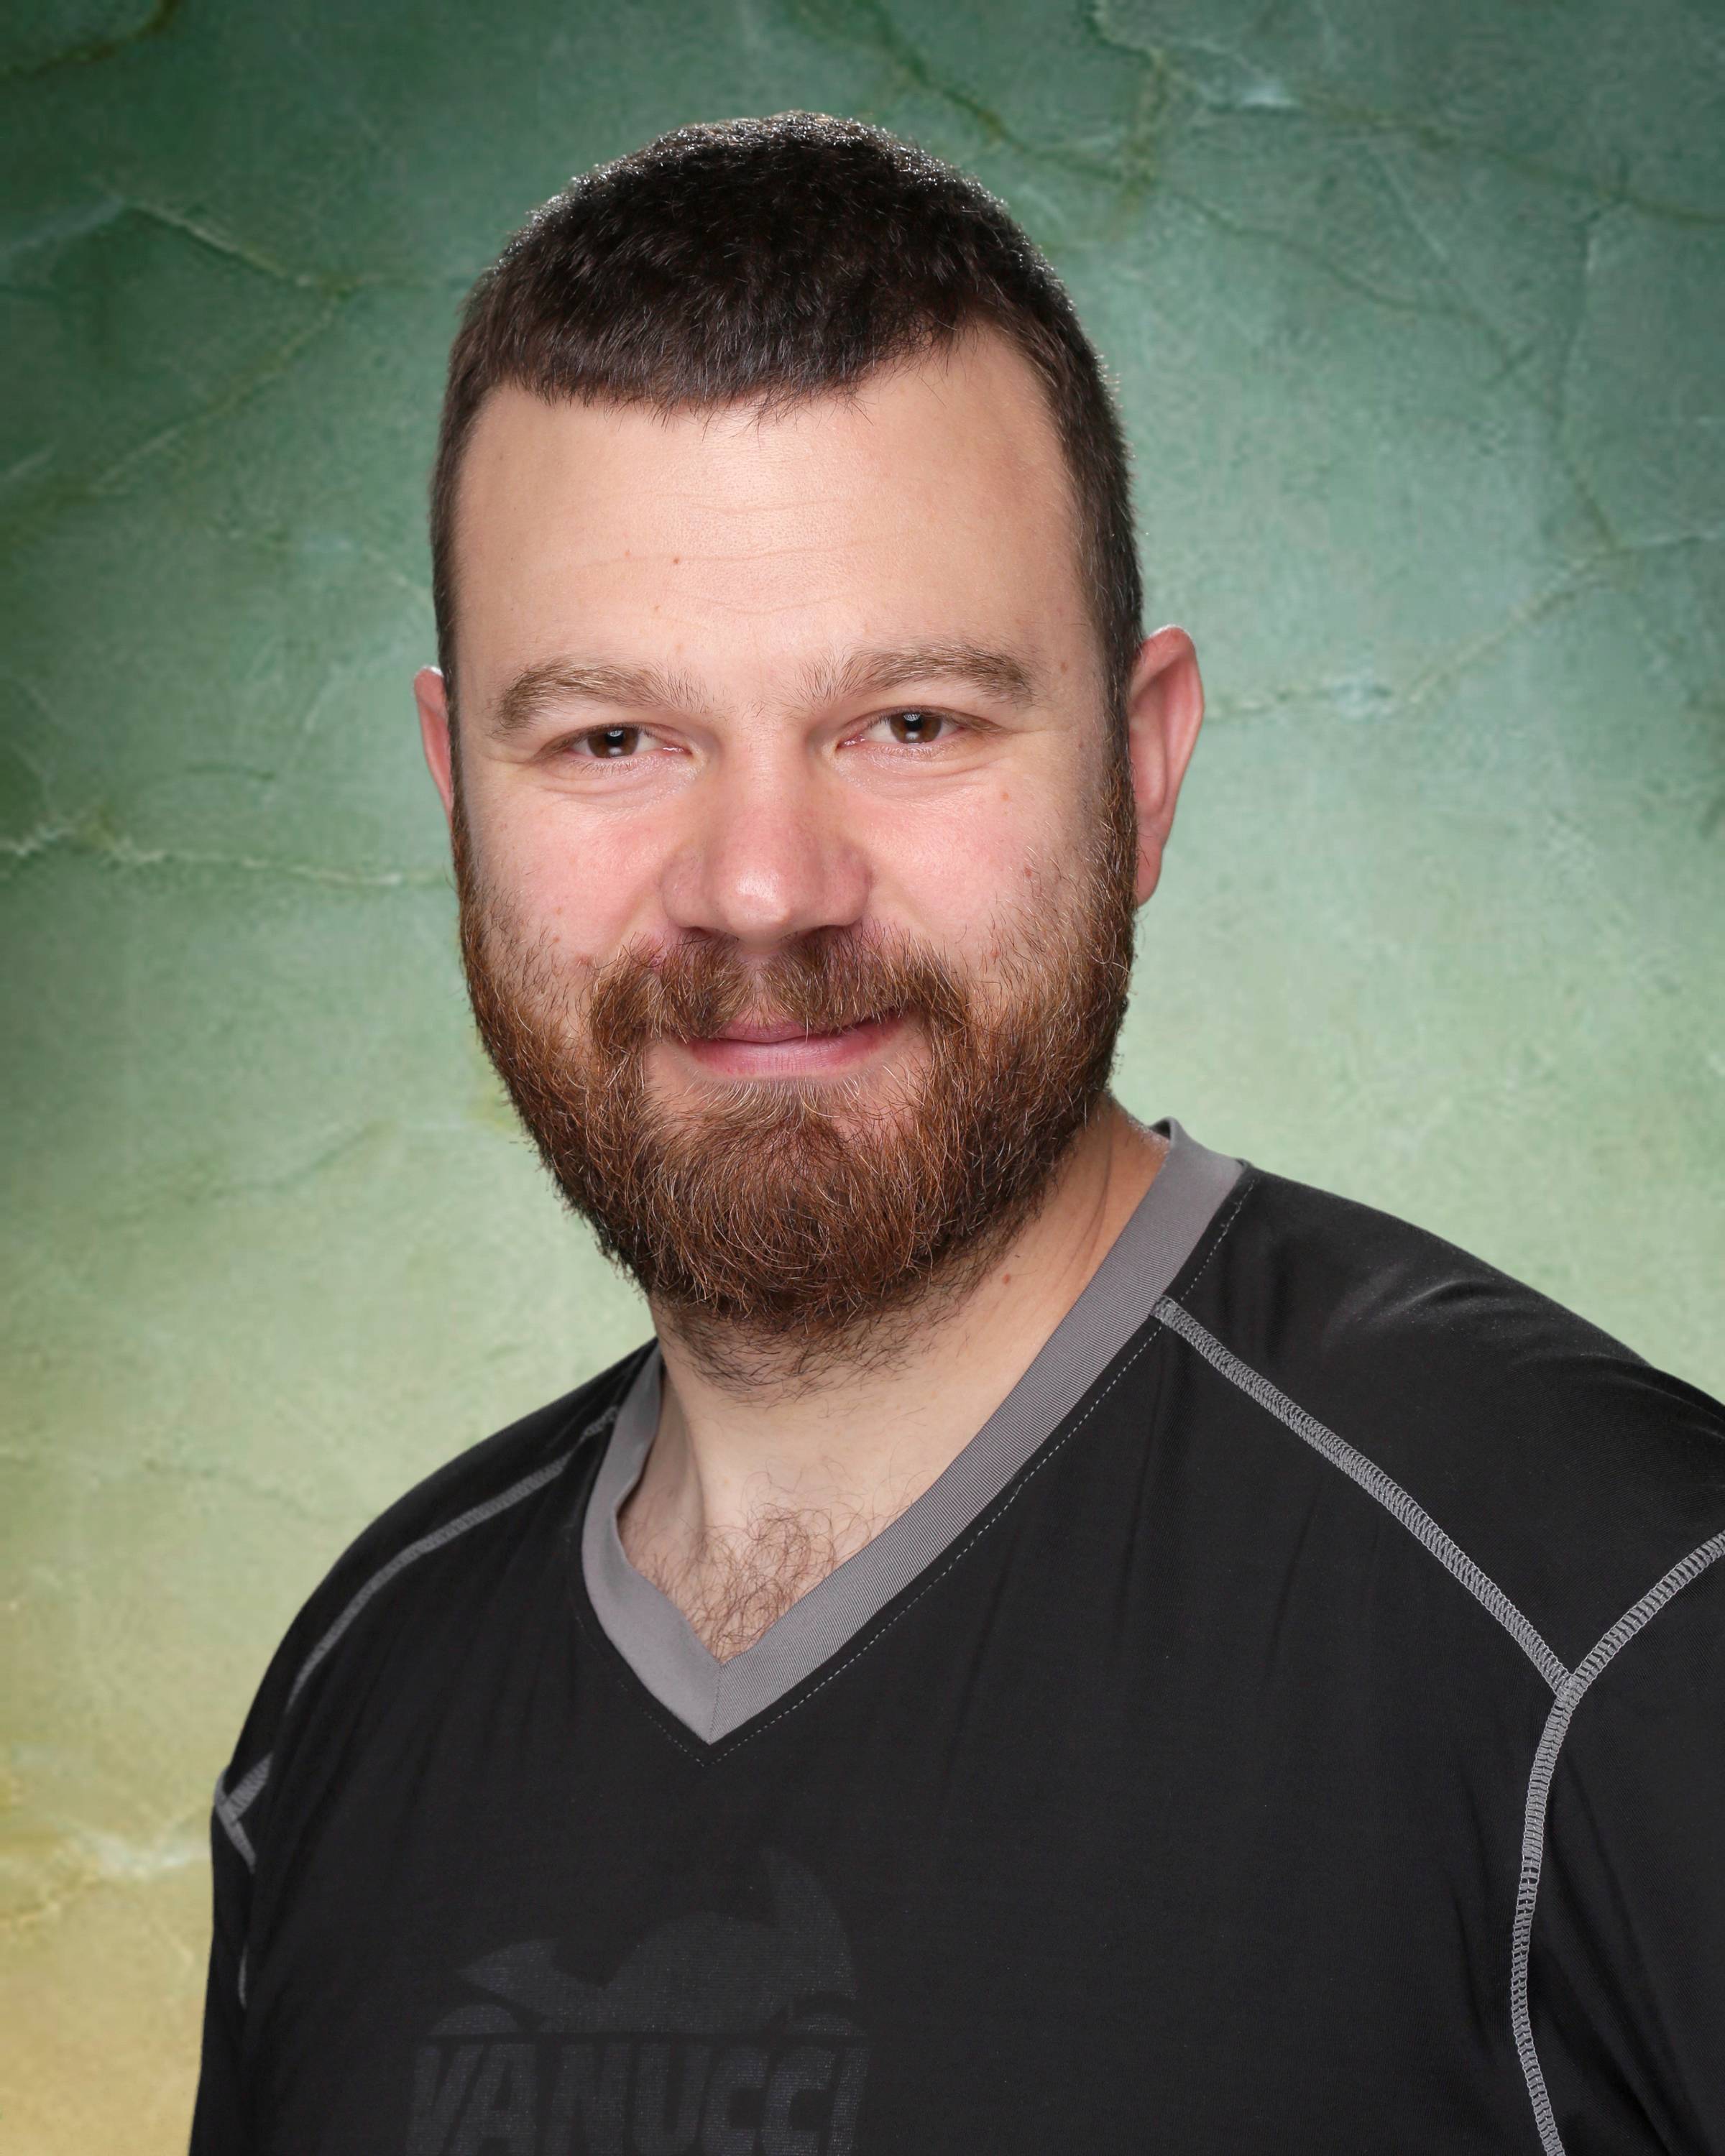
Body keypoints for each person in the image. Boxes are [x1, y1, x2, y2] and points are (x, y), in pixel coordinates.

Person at [190, 114, 1725, 2156]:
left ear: (1144, 769)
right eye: (615, 739)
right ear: (458, 793)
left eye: (909, 722)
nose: (761, 886)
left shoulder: (1613, 1627)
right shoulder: (351, 1709)